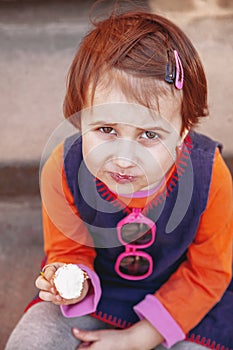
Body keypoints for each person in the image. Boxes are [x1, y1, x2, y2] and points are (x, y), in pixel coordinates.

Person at [5, 8, 233, 350]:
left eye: (149, 135)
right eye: (106, 129)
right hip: (101, 293)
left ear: (183, 131)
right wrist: (72, 281)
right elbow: (69, 249)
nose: (125, 158)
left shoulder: (209, 175)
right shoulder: (64, 168)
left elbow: (209, 272)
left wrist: (136, 339)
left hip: (188, 299)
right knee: (31, 340)